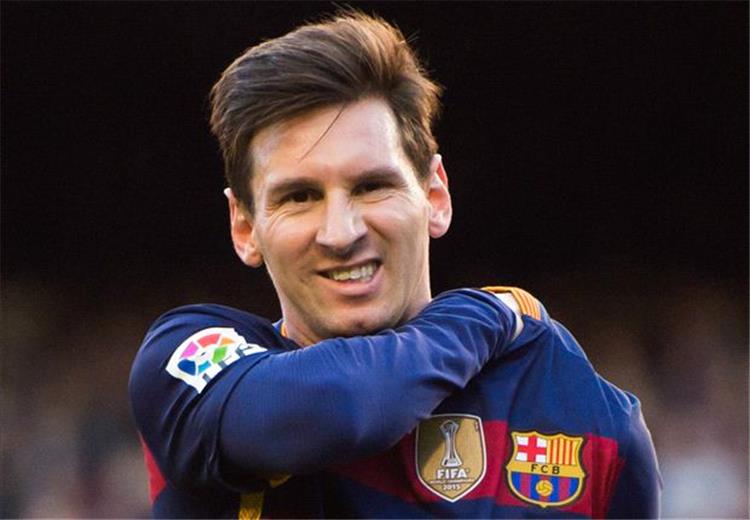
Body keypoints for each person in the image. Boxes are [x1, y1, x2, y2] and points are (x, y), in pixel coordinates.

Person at [129, 10, 661, 518]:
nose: (341, 234)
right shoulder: (185, 364)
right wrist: (483, 316)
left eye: (371, 186)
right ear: (245, 227)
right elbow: (342, 410)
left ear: (434, 196)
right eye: (299, 197)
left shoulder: (588, 423)